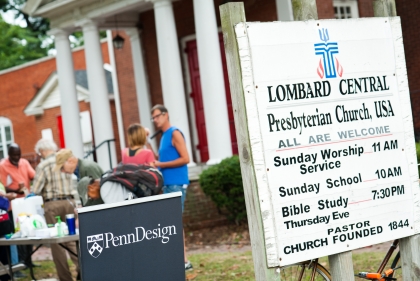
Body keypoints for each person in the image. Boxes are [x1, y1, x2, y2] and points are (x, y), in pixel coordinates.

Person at [150, 104, 192, 271]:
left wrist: (161, 164)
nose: (155, 120)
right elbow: (159, 160)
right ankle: (178, 260)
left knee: (175, 221)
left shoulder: (174, 133)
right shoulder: (163, 137)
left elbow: (186, 158)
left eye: (158, 116)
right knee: (171, 222)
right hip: (168, 184)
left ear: (166, 115)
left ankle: (183, 261)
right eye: (153, 118)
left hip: (177, 183)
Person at [31, 139, 79, 281]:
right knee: (71, 240)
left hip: (52, 205)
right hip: (69, 202)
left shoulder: (43, 165)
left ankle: (65, 278)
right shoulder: (66, 160)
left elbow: (36, 189)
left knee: (57, 244)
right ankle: (83, 270)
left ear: (43, 151)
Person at [0, 144, 36, 277]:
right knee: (16, 234)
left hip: (26, 203)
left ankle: (29, 260)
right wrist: (16, 190)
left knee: (29, 230)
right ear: (8, 154)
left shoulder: (24, 162)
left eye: (18, 154)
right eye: (13, 155)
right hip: (11, 206)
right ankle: (19, 263)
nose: (16, 157)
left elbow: (33, 176)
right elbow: (2, 187)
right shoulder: (3, 166)